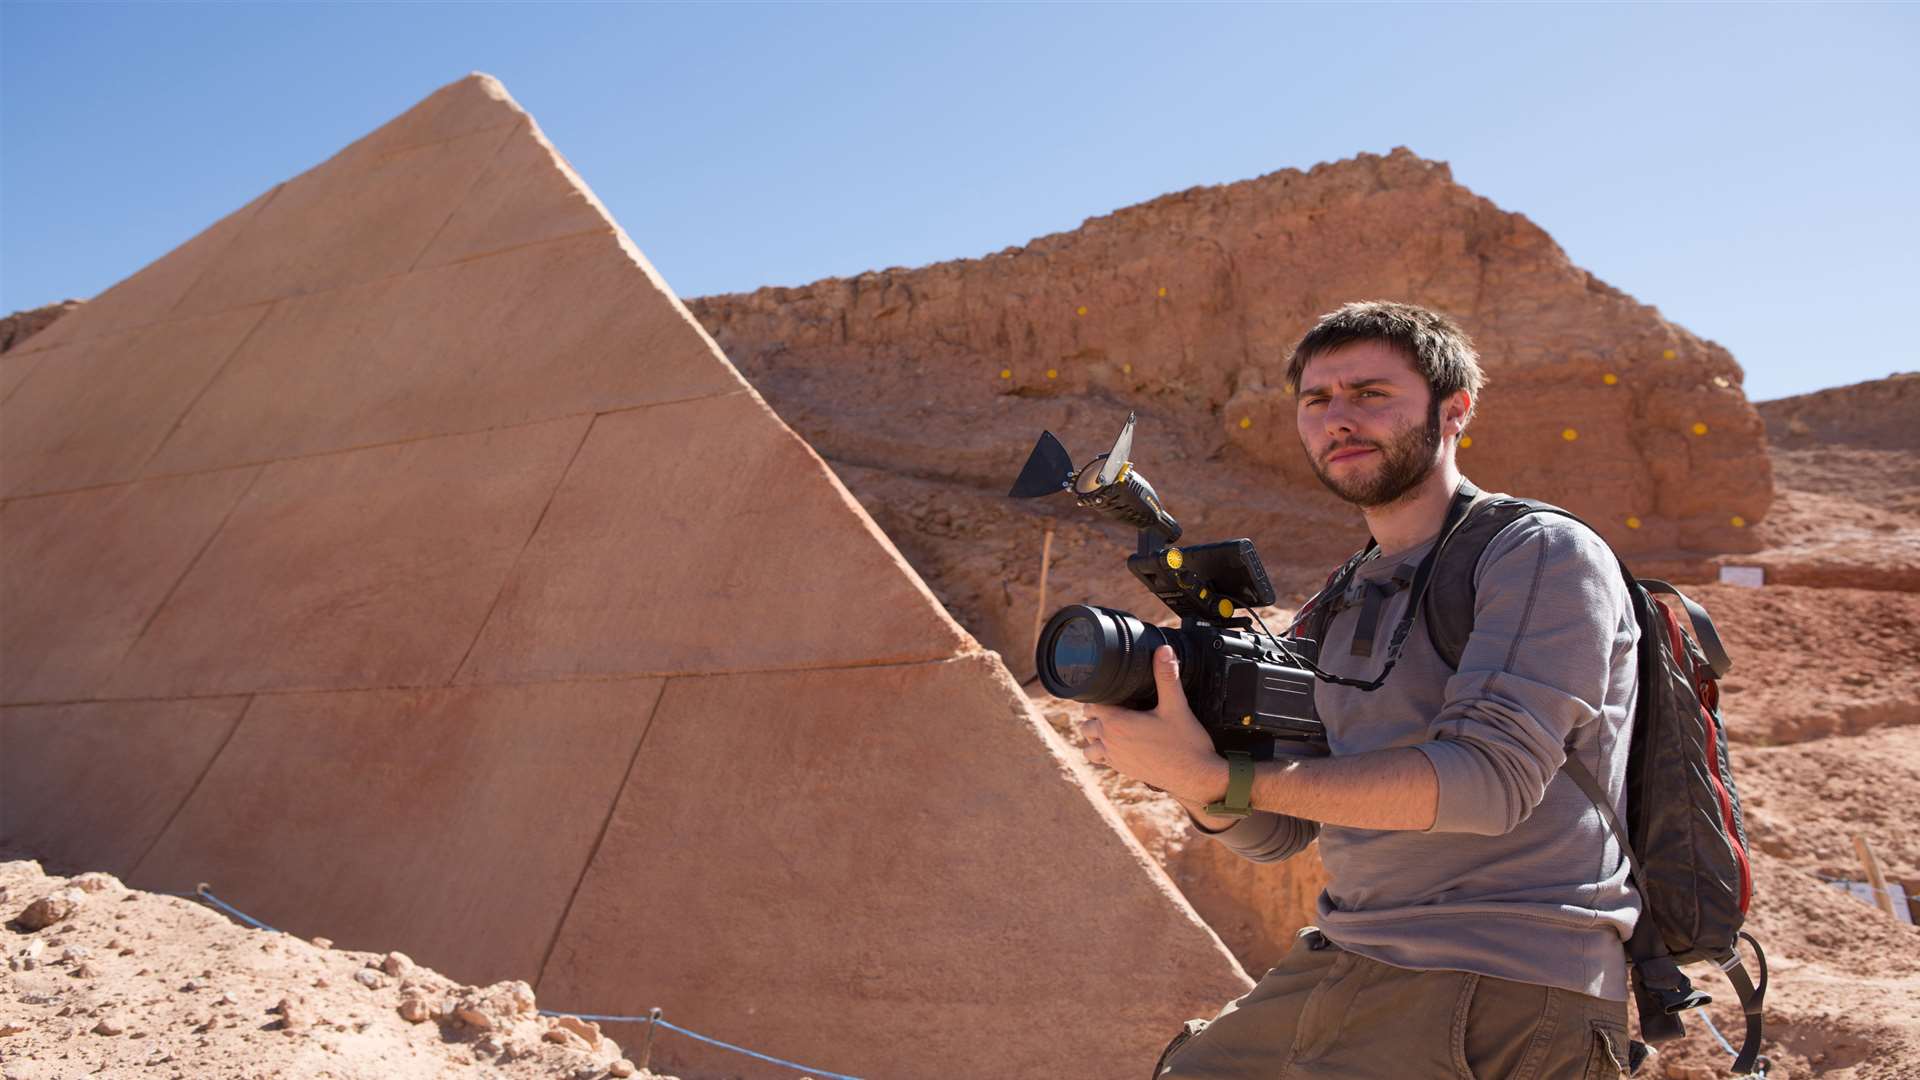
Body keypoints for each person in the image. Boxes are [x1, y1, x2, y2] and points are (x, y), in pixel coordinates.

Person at [1079, 301, 1639, 1078]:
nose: (1339, 418)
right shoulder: (1342, 595)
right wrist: (1186, 774)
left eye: (1371, 394)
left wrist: (1221, 776)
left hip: (1502, 969)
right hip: (1347, 952)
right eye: (1318, 400)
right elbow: (1277, 834)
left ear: (1454, 411)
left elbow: (1490, 783)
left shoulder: (1538, 553)